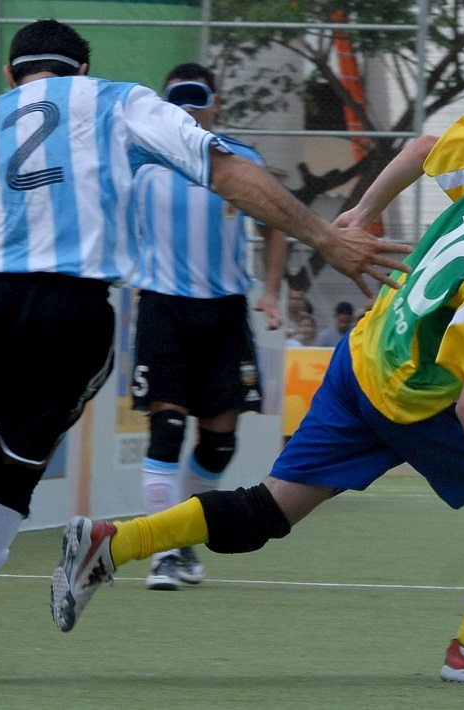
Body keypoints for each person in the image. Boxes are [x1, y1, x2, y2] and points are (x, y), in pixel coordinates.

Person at [0, 20, 410, 687]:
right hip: (78, 312)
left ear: (11, 76)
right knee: (11, 481)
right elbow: (227, 169)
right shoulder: (118, 100)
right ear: (82, 69)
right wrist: (325, 237)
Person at [50, 115, 464, 685]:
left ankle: (112, 541)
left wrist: (361, 211)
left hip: (364, 356)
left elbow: (426, 146)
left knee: (266, 513)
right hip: (414, 398)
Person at [128, 62, 288, 591]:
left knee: (219, 444)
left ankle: (183, 535)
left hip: (224, 312)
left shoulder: (242, 160)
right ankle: (162, 549)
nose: (189, 108)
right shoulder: (138, 157)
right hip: (162, 307)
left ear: (216, 104)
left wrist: (269, 290)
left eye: (198, 98)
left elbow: (277, 227)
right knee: (166, 429)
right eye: (178, 98)